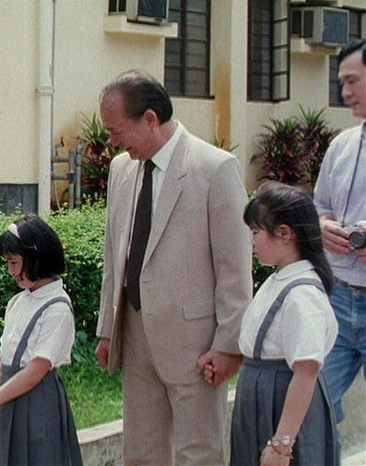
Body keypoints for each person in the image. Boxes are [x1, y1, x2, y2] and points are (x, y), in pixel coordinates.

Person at [93, 69, 253, 464]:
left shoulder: (215, 168)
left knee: (198, 453)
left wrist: (228, 345)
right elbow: (114, 256)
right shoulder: (121, 170)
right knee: (141, 452)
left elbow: (235, 268)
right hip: (135, 334)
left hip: (195, 344)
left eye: (116, 131)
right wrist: (107, 331)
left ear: (149, 119)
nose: (112, 142)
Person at [0, 214, 82, 466]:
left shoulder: (57, 308)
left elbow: (35, 371)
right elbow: (3, 361)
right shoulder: (18, 302)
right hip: (8, 400)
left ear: (36, 258)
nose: (11, 271)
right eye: (7, 263)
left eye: (14, 262)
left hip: (39, 404)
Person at [229, 181, 338, 466]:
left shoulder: (303, 295)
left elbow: (306, 371)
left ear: (284, 233)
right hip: (259, 399)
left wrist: (282, 444)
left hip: (281, 404)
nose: (252, 242)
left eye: (256, 232)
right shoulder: (278, 279)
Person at [315, 39, 366, 435]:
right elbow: (319, 205)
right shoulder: (341, 146)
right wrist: (322, 225)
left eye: (352, 81)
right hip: (339, 298)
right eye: (341, 83)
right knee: (315, 407)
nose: (345, 92)